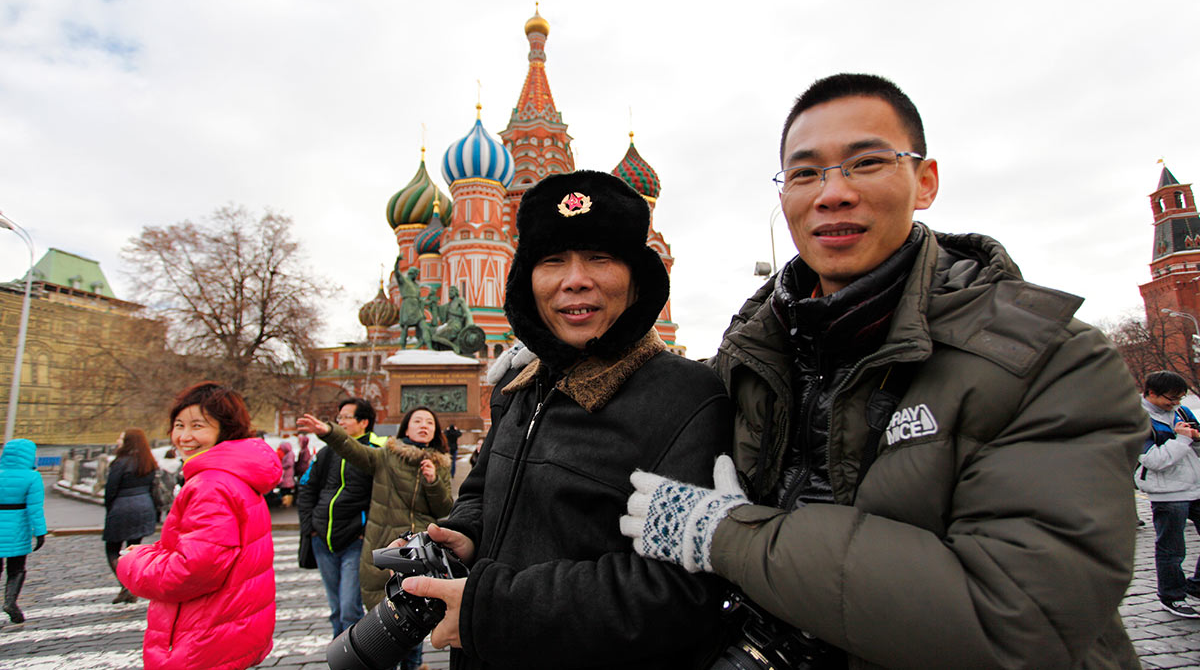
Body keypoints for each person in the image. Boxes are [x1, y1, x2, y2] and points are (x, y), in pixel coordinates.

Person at [620, 73, 1147, 668]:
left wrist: (727, 537)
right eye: (804, 173)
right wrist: (569, 353)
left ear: (925, 182)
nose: (832, 192)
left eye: (866, 162)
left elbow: (1015, 619)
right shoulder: (753, 353)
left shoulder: (1047, 361)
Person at [398, 170, 731, 669]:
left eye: (600, 257)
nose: (575, 279)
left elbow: (679, 590)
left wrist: (492, 608)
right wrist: (464, 534)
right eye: (553, 260)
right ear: (527, 281)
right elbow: (481, 491)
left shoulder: (686, 400)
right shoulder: (522, 386)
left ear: (637, 277)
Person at [117, 381, 280, 669]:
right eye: (179, 425)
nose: (184, 436)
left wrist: (133, 562)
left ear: (225, 430)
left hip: (201, 640)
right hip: (225, 630)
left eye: (198, 426)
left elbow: (193, 570)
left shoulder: (210, 485)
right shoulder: (231, 477)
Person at [298, 405, 454, 670]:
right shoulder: (387, 456)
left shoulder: (438, 465)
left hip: (419, 556)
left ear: (436, 431)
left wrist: (432, 481)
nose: (424, 425)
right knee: (384, 626)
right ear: (406, 427)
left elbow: (444, 509)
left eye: (429, 422)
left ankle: (413, 667)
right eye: (417, 420)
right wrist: (330, 432)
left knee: (415, 621)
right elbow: (354, 451)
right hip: (387, 551)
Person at [296, 397, 377, 637]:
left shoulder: (374, 452)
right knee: (336, 609)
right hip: (322, 538)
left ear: (364, 422)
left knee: (349, 610)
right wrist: (310, 527)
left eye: (345, 417)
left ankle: (356, 656)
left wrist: (366, 530)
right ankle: (341, 656)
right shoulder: (327, 452)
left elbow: (382, 496)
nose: (340, 422)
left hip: (354, 540)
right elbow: (307, 486)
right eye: (339, 417)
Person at [1135, 370, 1200, 618]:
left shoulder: (1181, 412)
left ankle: (1196, 585)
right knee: (1172, 549)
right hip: (1168, 493)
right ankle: (1172, 596)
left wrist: (1195, 438)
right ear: (1151, 393)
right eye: (1170, 398)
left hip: (1195, 485)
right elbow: (1154, 460)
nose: (1175, 403)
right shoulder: (1137, 419)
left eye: (1179, 398)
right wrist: (1182, 440)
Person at [103, 428, 157, 604]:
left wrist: (110, 507)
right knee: (133, 548)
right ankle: (129, 586)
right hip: (144, 506)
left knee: (112, 549)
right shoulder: (148, 461)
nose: (118, 440)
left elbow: (111, 489)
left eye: (121, 438)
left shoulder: (121, 462)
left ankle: (127, 586)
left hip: (122, 508)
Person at [0, 438, 46, 624]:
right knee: (17, 568)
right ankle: (10, 601)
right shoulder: (32, 477)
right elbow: (35, 509)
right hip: (18, 525)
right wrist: (40, 532)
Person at [276, 440, 296, 507]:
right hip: (288, 473)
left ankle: (287, 502)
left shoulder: (289, 454)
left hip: (287, 473)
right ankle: (286, 501)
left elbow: (289, 463)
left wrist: (282, 466)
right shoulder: (289, 453)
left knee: (286, 488)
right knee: (285, 488)